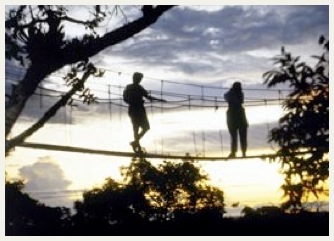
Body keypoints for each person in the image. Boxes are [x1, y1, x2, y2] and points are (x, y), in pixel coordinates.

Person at [123, 72, 166, 152]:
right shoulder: (129, 87)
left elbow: (148, 97)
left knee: (145, 127)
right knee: (136, 128)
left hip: (139, 109)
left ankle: (135, 142)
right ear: (134, 78)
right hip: (135, 109)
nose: (139, 80)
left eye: (140, 79)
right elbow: (125, 98)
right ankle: (137, 144)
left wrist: (159, 99)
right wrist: (132, 102)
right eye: (138, 78)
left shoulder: (139, 88)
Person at [224, 82, 248, 158]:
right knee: (236, 136)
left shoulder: (238, 93)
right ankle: (236, 152)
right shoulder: (233, 93)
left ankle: (241, 152)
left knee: (240, 136)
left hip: (236, 115)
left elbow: (239, 100)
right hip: (235, 115)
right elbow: (226, 97)